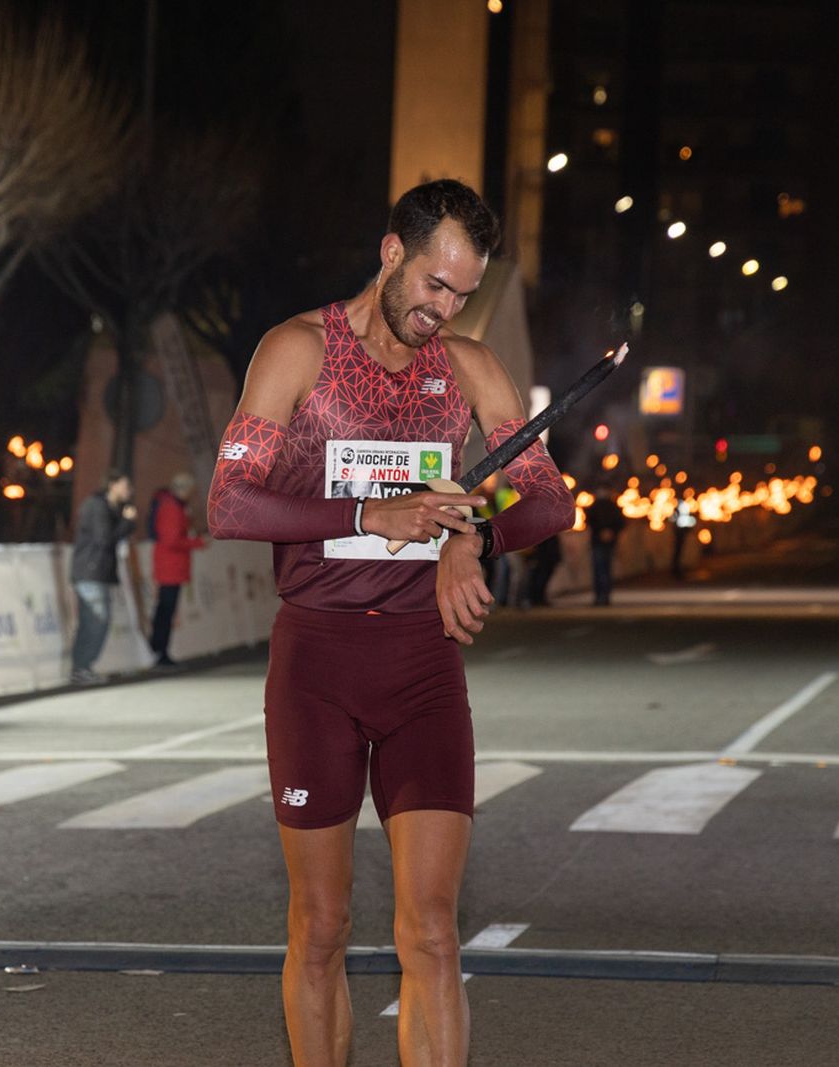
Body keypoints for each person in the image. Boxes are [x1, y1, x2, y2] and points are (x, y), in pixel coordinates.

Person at [207, 179, 573, 1066]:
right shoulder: (299, 350)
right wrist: (372, 516)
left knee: (434, 932)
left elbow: (550, 501)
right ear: (391, 254)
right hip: (317, 664)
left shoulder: (471, 369)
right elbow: (228, 503)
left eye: (463, 293)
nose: (443, 309)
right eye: (434, 285)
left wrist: (470, 532)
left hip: (422, 664)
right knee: (322, 924)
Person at [69, 470, 137, 685]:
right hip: (90, 571)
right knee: (96, 621)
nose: (129, 491)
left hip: (97, 572)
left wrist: (127, 522)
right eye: (125, 486)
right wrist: (126, 522)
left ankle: (82, 667)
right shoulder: (97, 507)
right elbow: (104, 539)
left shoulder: (109, 508)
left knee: (94, 622)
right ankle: (81, 667)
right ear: (112, 485)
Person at [148, 472, 206, 669]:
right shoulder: (172, 508)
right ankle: (159, 651)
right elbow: (172, 539)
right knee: (166, 610)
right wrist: (197, 542)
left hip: (170, 566)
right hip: (170, 567)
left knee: (165, 610)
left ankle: (160, 650)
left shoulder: (171, 506)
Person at [586, 481, 626, 606]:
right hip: (599, 542)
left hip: (604, 543)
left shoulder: (612, 506)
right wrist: (604, 532)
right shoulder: (596, 506)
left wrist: (610, 532)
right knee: (601, 569)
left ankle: (603, 596)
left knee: (603, 569)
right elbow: (589, 521)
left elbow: (620, 523)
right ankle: (601, 596)